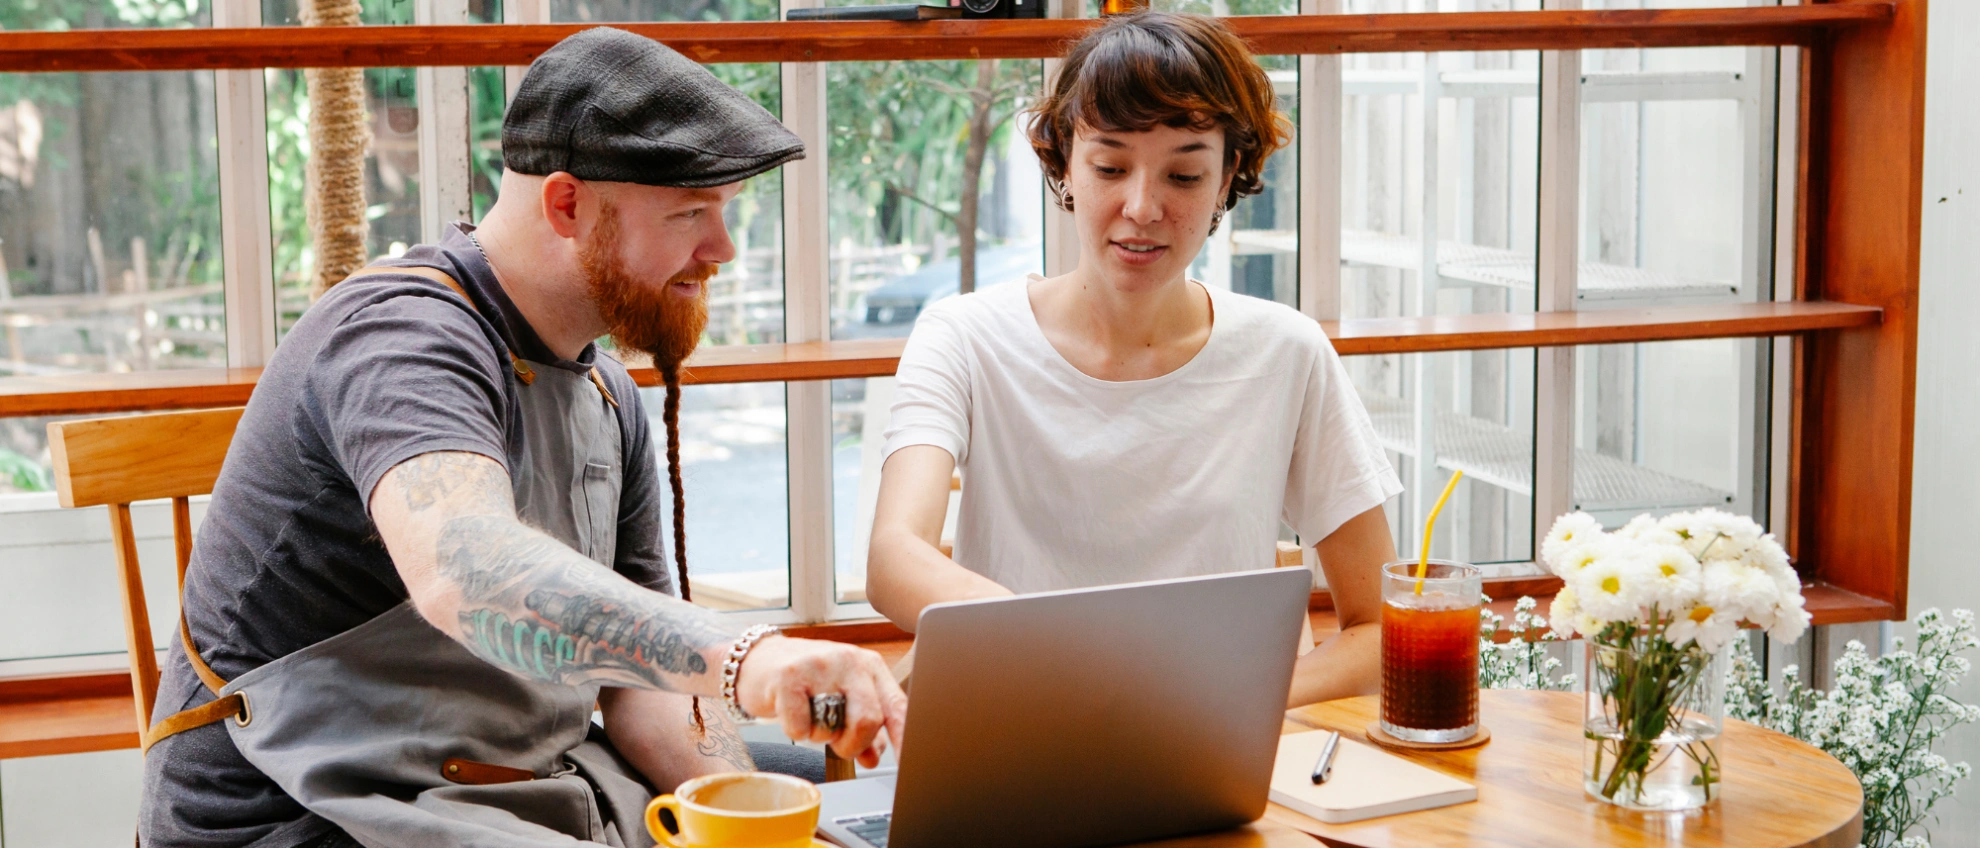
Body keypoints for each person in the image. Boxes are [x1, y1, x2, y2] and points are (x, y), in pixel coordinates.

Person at [140, 28, 907, 848]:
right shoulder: (401, 338)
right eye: (691, 212)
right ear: (567, 204)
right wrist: (747, 656)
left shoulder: (606, 389)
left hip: (512, 795)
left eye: (724, 212)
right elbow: (468, 573)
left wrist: (739, 814)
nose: (721, 249)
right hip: (305, 817)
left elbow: (645, 691)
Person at [865, 11, 1403, 708]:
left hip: (1214, 757)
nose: (1142, 207)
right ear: (1062, 163)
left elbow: (1379, 625)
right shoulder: (964, 336)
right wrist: (1060, 652)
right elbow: (893, 558)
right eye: (1110, 167)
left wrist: (1232, 701)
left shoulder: (1285, 352)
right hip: (1021, 728)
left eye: (1183, 175)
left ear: (1227, 175)